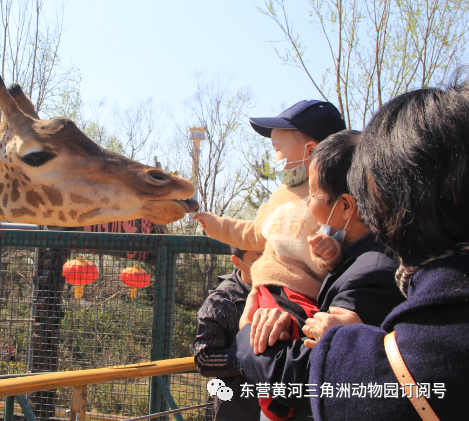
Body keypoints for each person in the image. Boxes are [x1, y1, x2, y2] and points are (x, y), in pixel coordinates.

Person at [306, 79, 469, 419]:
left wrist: (247, 340)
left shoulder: (367, 364)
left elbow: (295, 376)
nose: (305, 205)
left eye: (312, 194)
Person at [226, 130, 405, 420]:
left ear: (346, 206)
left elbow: (302, 377)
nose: (307, 205)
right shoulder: (351, 259)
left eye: (312, 194)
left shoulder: (371, 273)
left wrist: (246, 334)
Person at [194, 100, 346, 420]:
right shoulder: (280, 193)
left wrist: (331, 253)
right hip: (264, 290)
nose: (274, 157)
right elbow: (253, 233)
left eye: (278, 148)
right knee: (262, 353)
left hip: (300, 296)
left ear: (311, 149)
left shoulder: (329, 193)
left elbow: (339, 245)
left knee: (281, 364)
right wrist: (216, 224)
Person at [194, 247, 263, 420]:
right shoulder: (220, 302)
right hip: (239, 407)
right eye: (259, 255)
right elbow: (205, 359)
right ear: (237, 261)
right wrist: (253, 359)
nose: (267, 262)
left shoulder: (284, 290)